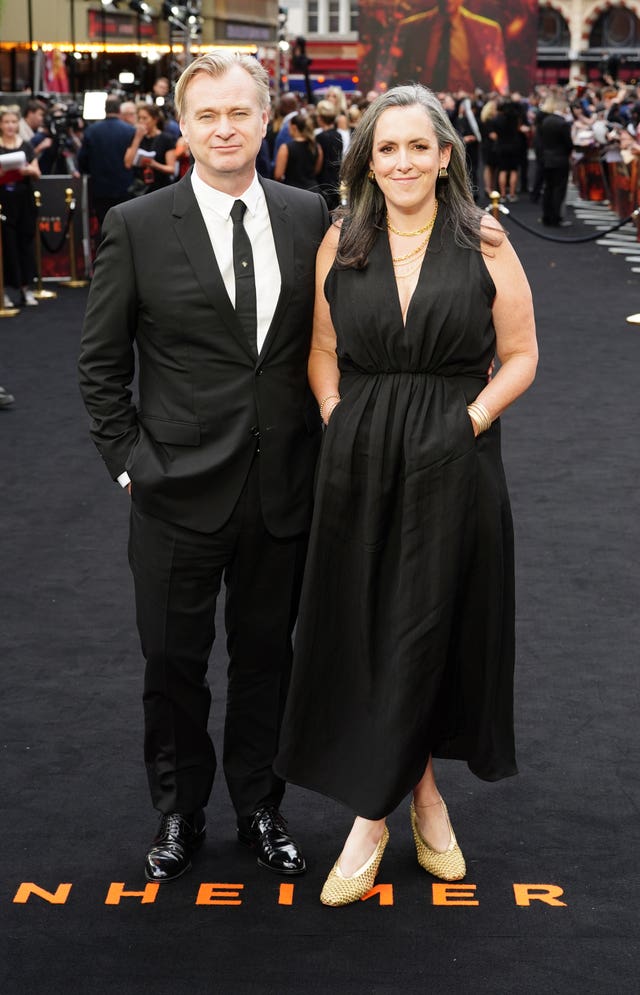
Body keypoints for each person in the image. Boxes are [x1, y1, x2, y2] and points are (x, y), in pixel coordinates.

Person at [275, 83, 538, 906]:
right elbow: (321, 350)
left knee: (431, 625)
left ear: (445, 154)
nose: (402, 162)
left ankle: (370, 815)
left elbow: (524, 354)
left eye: (417, 147)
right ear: (367, 158)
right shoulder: (341, 242)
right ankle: (417, 801)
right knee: (373, 625)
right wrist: (332, 411)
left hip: (456, 457)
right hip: (358, 457)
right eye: (386, 148)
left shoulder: (486, 240)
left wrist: (469, 419)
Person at [78, 52, 329, 884]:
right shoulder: (139, 225)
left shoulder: (308, 213)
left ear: (267, 118)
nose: (224, 129)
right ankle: (180, 810)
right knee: (172, 664)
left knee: (268, 659)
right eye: (207, 116)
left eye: (239, 113)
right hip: (173, 492)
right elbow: (100, 366)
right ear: (183, 128)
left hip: (282, 488)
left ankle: (260, 804)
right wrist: (129, 467)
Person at [388, 0, 509, 95]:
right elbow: (398, 75)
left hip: (465, 108)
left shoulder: (487, 31)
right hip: (421, 106)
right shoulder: (411, 28)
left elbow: (495, 83)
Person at [0, 105, 41, 308]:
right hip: (3, 203)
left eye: (13, 122)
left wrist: (27, 170)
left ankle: (27, 289)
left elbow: (37, 172)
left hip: (24, 201)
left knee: (25, 244)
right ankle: (4, 291)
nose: (10, 125)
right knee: (6, 247)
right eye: (6, 122)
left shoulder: (26, 145)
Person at [77, 95, 136, 236]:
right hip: (124, 186)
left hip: (100, 187)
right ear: (119, 109)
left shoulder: (91, 131)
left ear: (104, 109)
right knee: (125, 227)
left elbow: (82, 158)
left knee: (104, 227)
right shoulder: (130, 130)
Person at [124, 103, 177, 195]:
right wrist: (137, 138)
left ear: (155, 119)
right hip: (140, 188)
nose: (141, 121)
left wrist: (154, 164)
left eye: (145, 118)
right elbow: (128, 163)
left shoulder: (166, 139)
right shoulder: (136, 137)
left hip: (161, 188)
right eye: (139, 118)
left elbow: (171, 169)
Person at [273, 113, 322, 190]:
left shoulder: (286, 148)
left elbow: (278, 175)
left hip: (292, 191)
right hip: (313, 191)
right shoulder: (316, 146)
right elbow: (317, 170)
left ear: (294, 127)